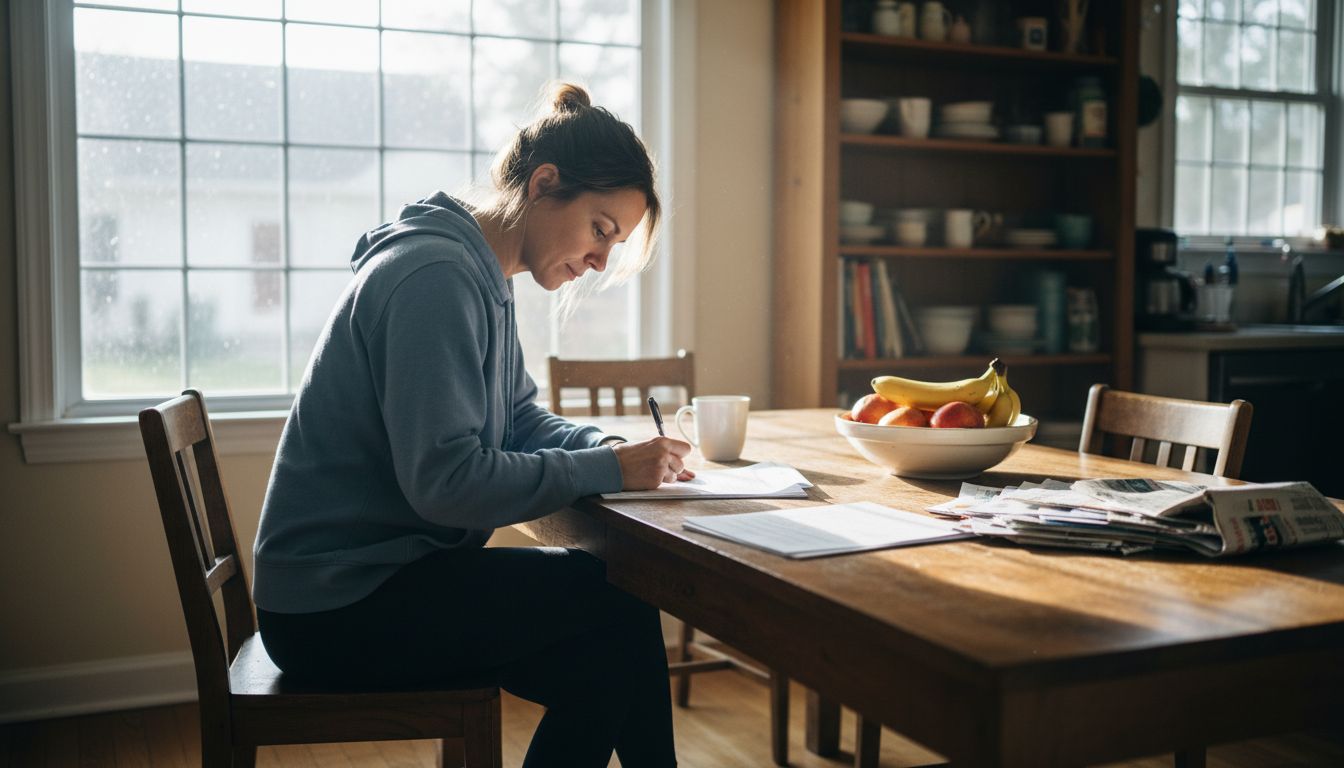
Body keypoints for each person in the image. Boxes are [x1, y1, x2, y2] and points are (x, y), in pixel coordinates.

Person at [253, 83, 689, 768]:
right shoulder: (437, 275)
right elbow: (446, 482)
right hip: (337, 608)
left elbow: (515, 417)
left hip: (374, 583)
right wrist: (609, 470)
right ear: (545, 184)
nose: (603, 261)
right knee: (618, 608)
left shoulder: (478, 269)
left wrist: (605, 447)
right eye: (601, 229)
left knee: (607, 652)